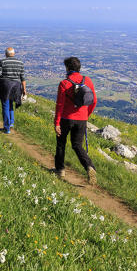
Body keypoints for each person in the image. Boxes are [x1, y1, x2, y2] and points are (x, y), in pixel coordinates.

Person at [53, 56, 98, 185]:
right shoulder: (87, 80)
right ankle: (89, 167)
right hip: (82, 119)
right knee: (77, 145)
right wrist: (86, 115)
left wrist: (57, 123)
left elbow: (59, 105)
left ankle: (60, 170)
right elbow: (94, 101)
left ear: (67, 68)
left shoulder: (64, 83)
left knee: (61, 144)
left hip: (66, 119)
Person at [0, 47, 26, 134]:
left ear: (6, 54)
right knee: (10, 104)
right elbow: (22, 77)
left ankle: (6, 128)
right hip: (16, 86)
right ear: (13, 54)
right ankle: (11, 123)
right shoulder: (20, 63)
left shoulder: (3, 61)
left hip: (5, 85)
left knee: (5, 105)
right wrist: (24, 90)